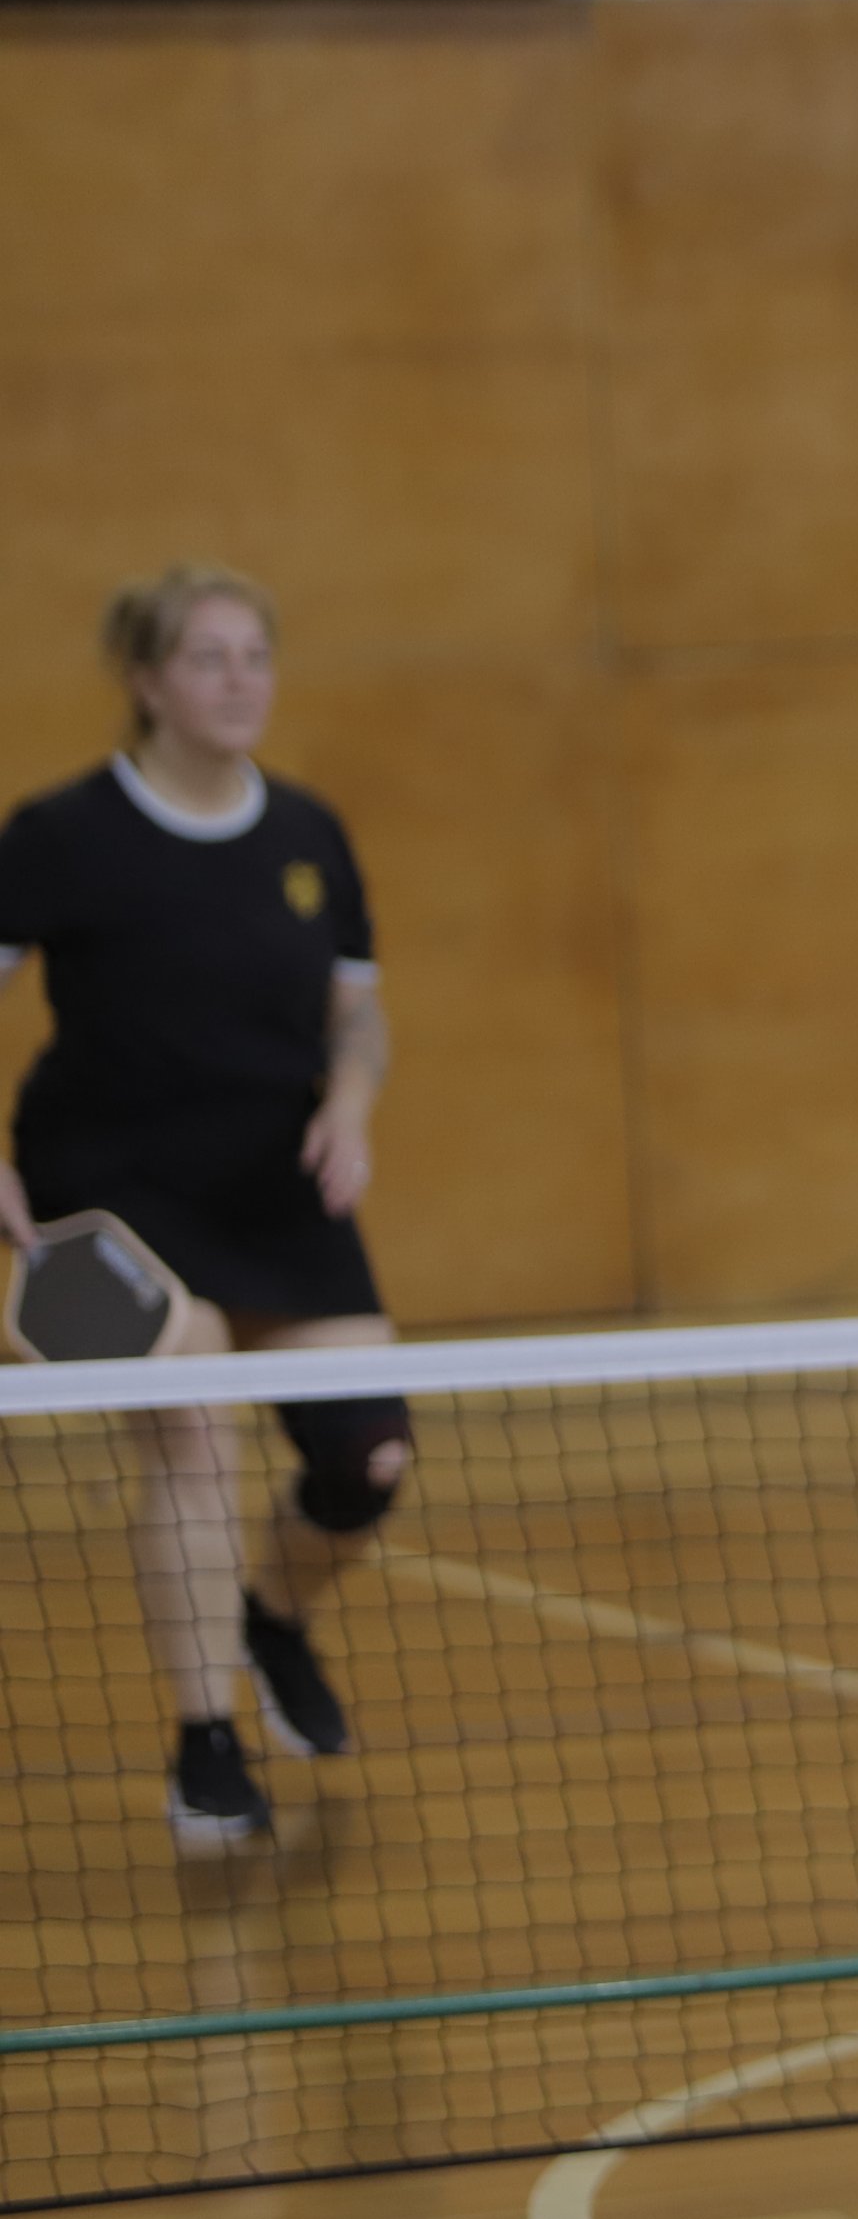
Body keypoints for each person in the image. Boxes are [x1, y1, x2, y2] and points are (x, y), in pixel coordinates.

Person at [0, 565, 412, 1853]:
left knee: (369, 1463)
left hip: (273, 1188)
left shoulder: (308, 834)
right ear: (147, 681)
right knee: (192, 1428)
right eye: (210, 657)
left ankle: (271, 1615)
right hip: (109, 1194)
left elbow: (360, 1010)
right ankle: (206, 1744)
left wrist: (349, 1104)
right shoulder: (61, 836)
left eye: (256, 656)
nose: (242, 680)